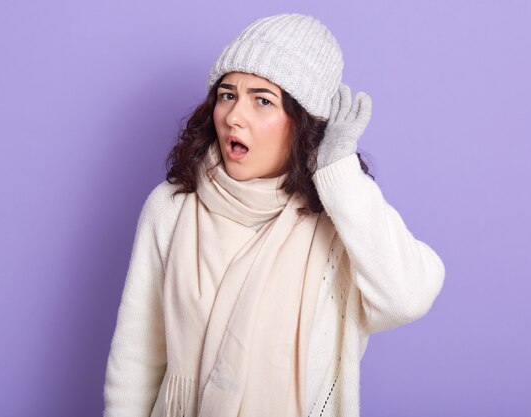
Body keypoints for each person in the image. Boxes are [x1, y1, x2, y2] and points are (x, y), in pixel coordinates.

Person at [103, 13, 445, 417]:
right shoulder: (172, 208)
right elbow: (135, 359)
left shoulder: (339, 226)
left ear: (303, 122)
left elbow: (408, 297)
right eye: (227, 94)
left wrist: (341, 175)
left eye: (262, 100)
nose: (234, 115)